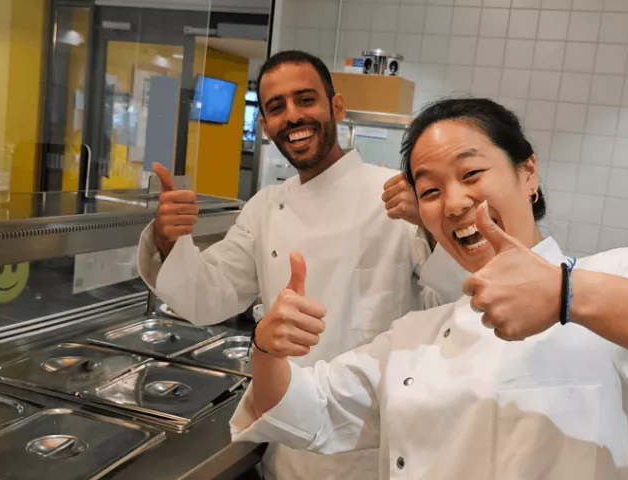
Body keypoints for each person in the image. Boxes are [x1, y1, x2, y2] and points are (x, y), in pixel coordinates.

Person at [230, 98, 628, 479]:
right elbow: (308, 410)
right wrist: (267, 351)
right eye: (430, 190)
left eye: (472, 173)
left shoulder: (617, 279)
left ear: (528, 174)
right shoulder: (414, 336)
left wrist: (567, 295)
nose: (454, 203)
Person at [137, 51, 459, 479]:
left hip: (375, 448)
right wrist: (167, 238)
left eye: (305, 100)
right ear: (265, 125)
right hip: (289, 446)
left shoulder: (397, 197)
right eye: (276, 107)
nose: (292, 116)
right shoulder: (265, 208)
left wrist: (434, 229)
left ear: (336, 107)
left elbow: (455, 308)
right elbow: (207, 298)